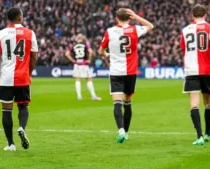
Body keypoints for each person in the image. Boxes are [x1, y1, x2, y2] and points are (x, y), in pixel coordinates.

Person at [98, 8, 154, 143]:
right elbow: (150, 26)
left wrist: (107, 55)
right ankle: (127, 132)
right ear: (129, 18)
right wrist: (136, 16)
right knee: (127, 103)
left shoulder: (110, 32)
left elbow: (101, 51)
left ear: (116, 18)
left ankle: (121, 130)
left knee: (116, 102)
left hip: (116, 71)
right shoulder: (134, 29)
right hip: (130, 72)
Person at [0, 7, 38, 151]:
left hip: (5, 78)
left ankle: (10, 144)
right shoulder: (30, 33)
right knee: (23, 106)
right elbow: (34, 57)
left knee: (6, 110)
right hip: (22, 77)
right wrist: (29, 73)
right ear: (20, 17)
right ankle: (22, 128)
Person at [180, 4, 210, 145]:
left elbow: (183, 49)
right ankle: (207, 133)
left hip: (191, 70)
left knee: (194, 104)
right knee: (208, 102)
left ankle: (198, 136)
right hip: (206, 70)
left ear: (192, 15)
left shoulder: (185, 30)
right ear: (205, 15)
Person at [65, 33, 101, 101]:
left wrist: (73, 61)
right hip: (84, 63)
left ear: (77, 39)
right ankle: (93, 96)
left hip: (77, 64)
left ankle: (79, 96)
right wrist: (89, 60)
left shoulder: (74, 46)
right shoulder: (85, 45)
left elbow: (67, 54)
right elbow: (91, 52)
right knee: (88, 79)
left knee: (77, 79)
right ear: (82, 38)